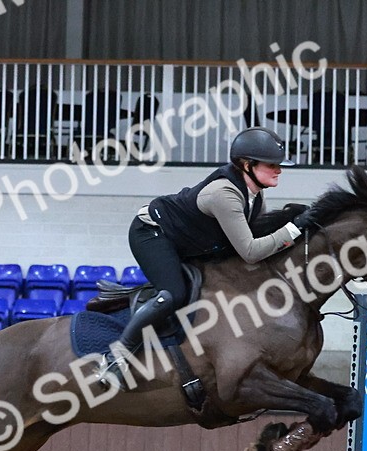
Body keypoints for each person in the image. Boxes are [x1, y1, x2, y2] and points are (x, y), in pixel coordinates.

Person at [99, 126, 320, 386]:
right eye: (271, 164)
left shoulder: (255, 198)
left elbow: (258, 242)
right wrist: (294, 228)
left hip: (191, 242)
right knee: (173, 294)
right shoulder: (224, 195)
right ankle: (116, 357)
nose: (279, 170)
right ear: (247, 165)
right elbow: (250, 251)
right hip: (152, 234)